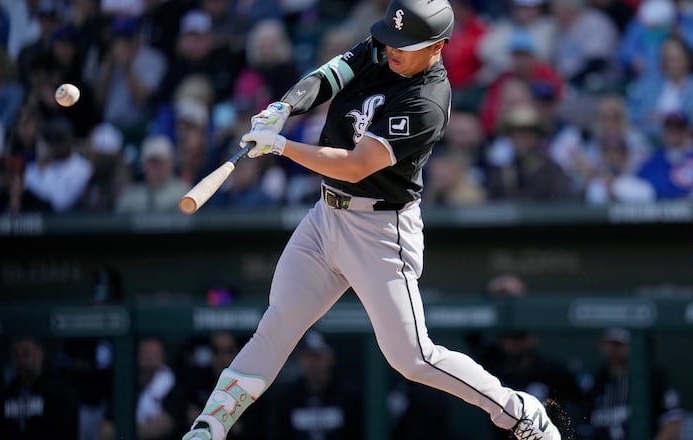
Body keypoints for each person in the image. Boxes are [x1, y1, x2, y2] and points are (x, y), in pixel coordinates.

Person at [181, 1, 563, 440]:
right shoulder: (384, 47)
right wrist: (284, 107)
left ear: (437, 48)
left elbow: (356, 166)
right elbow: (326, 77)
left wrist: (282, 147)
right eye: (391, 39)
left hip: (380, 231)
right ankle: (211, 424)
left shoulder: (428, 100)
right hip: (326, 217)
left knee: (413, 358)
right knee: (278, 323)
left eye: (406, 45)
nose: (392, 50)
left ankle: (517, 412)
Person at [579, 327, 684, 440]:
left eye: (619, 344)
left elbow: (672, 424)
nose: (614, 350)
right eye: (610, 344)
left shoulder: (653, 380)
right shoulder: (596, 383)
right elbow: (584, 427)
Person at [275, 331, 364, 440]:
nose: (312, 363)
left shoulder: (348, 394)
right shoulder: (288, 397)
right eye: (307, 357)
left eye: (317, 357)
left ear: (330, 358)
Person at [0, 336, 80, 439]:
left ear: (40, 353)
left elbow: (67, 432)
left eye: (26, 354)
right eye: (16, 355)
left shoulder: (60, 392)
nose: (21, 361)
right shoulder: (5, 394)